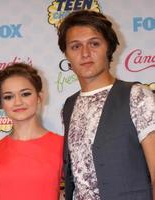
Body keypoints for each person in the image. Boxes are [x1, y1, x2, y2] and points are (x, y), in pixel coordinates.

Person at [57, 10, 155, 200]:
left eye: (94, 44)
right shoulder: (69, 106)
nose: (85, 53)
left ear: (109, 48)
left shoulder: (137, 96)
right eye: (75, 46)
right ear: (66, 54)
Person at [0, 63, 64, 200]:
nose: (18, 102)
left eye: (25, 94)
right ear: (1, 104)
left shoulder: (62, 145)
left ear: (39, 97)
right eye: (9, 97)